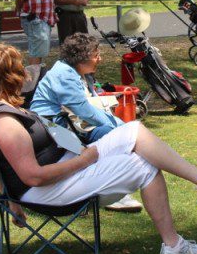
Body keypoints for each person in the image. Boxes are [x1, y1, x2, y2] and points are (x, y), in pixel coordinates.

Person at [0, 44, 197, 254]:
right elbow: (34, 176)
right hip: (48, 191)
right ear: (13, 78)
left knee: (133, 131)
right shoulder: (5, 123)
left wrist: (8, 198)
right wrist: (83, 160)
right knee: (143, 165)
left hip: (57, 173)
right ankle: (175, 242)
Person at [29, 32, 143, 213]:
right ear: (81, 58)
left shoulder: (74, 71)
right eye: (96, 55)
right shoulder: (64, 74)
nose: (100, 59)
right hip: (52, 131)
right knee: (112, 136)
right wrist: (120, 126)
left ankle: (114, 189)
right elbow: (84, 110)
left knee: (112, 134)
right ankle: (110, 191)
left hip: (65, 126)